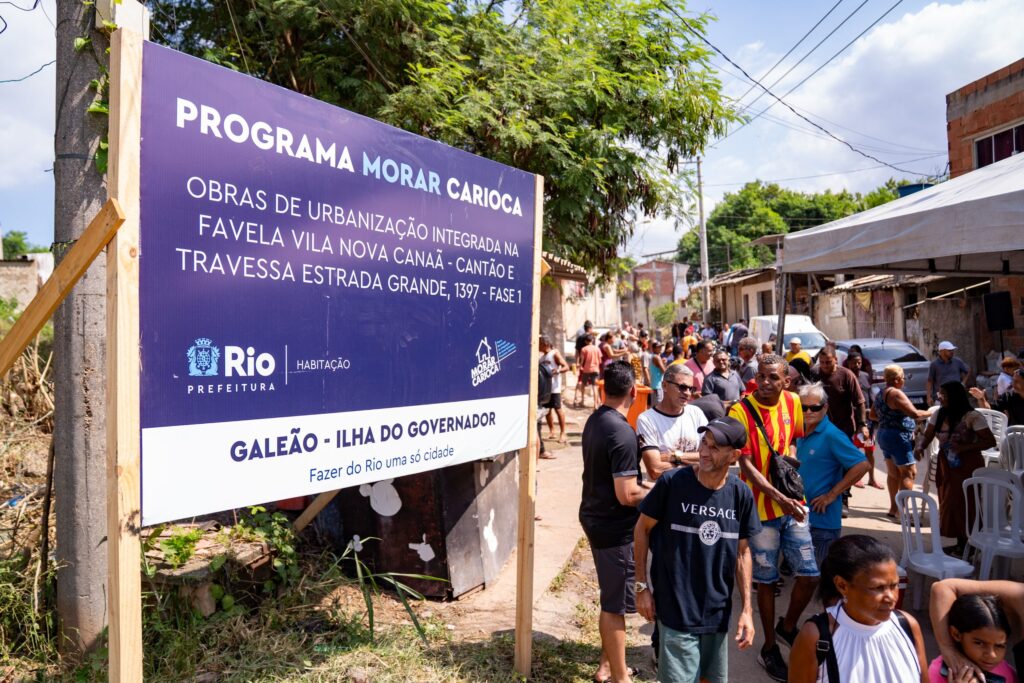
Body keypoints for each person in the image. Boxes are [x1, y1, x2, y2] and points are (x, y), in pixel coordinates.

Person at [634, 416, 759, 683]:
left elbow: (742, 553)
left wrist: (747, 610)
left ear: (734, 455)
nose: (703, 451)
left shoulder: (740, 494)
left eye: (714, 447)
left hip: (717, 613)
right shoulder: (672, 483)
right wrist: (642, 587)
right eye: (704, 442)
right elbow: (641, 530)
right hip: (676, 609)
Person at [727, 354, 816, 682]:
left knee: (809, 575)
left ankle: (787, 626)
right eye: (761, 376)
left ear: (786, 381)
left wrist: (788, 465)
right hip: (761, 512)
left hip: (793, 505)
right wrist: (781, 496)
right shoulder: (740, 410)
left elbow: (792, 441)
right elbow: (745, 466)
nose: (765, 383)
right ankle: (768, 647)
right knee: (765, 582)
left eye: (772, 378)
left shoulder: (793, 403)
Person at [579, 361, 650, 683]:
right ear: (634, 392)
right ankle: (620, 678)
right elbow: (626, 494)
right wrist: (660, 492)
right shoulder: (622, 431)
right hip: (613, 526)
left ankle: (607, 667)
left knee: (612, 597)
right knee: (614, 605)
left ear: (603, 388)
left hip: (596, 516)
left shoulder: (597, 420)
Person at [788, 535, 928, 683]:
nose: (891, 598)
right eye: (877, 588)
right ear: (842, 585)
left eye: (894, 585)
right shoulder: (816, 637)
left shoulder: (907, 625)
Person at [916, 381, 997, 556]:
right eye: (940, 394)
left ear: (954, 396)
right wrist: (920, 447)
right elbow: (929, 434)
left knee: (966, 503)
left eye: (944, 394)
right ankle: (960, 543)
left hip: (968, 466)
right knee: (949, 503)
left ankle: (969, 545)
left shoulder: (972, 416)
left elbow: (990, 441)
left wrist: (964, 447)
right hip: (947, 466)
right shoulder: (939, 414)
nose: (940, 397)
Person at [795, 382, 871, 566]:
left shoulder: (832, 435)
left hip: (823, 522)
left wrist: (831, 495)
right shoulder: (799, 431)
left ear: (825, 407)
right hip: (800, 519)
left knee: (819, 576)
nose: (808, 412)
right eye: (803, 407)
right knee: (804, 575)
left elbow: (862, 465)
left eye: (815, 407)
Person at [931, 579, 1024, 683]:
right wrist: (949, 650)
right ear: (956, 634)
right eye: (979, 643)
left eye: (999, 646)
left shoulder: (1006, 671)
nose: (992, 654)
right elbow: (943, 588)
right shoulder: (941, 673)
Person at [871, 365, 931, 520]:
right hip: (898, 436)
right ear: (897, 379)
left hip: (884, 434)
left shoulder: (881, 393)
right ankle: (900, 511)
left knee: (893, 473)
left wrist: (887, 419)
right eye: (903, 378)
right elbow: (915, 414)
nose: (904, 381)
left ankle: (893, 508)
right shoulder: (896, 393)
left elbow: (872, 415)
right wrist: (934, 411)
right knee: (908, 472)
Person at [636, 365, 707, 480]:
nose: (688, 393)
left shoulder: (696, 413)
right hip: (665, 493)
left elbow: (711, 455)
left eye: (691, 389)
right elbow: (655, 470)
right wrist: (697, 463)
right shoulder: (647, 419)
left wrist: (673, 456)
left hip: (696, 491)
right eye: (682, 387)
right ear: (664, 385)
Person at [847, 352, 883, 489]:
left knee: (869, 450)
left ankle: (872, 479)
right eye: (855, 362)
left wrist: (872, 411)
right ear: (849, 362)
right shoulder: (846, 375)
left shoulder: (865, 376)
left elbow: (870, 395)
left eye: (859, 362)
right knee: (854, 451)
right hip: (852, 421)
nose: (857, 365)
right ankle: (855, 478)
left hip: (867, 421)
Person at [539, 335, 570, 444]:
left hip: (554, 387)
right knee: (547, 411)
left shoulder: (554, 354)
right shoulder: (542, 357)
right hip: (545, 389)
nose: (538, 346)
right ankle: (552, 431)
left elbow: (566, 366)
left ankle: (563, 433)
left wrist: (557, 371)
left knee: (558, 409)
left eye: (539, 343)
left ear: (545, 344)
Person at [927, 341, 970, 407]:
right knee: (941, 415)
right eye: (949, 350)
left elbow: (968, 370)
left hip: (957, 396)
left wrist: (963, 383)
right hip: (940, 398)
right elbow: (930, 381)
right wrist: (928, 397)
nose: (952, 352)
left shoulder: (957, 361)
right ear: (942, 351)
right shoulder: (934, 364)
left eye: (952, 350)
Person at [576, 334, 602, 409]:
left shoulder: (584, 349)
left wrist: (580, 366)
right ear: (592, 340)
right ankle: (595, 404)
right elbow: (600, 361)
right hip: (596, 369)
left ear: (586, 341)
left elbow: (582, 361)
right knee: (595, 387)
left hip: (586, 369)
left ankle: (582, 400)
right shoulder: (597, 349)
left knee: (583, 385)